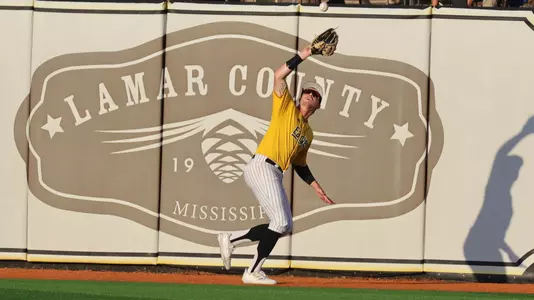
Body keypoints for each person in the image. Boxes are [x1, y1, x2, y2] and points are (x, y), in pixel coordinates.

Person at [217, 44, 335, 285]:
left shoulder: (308, 133)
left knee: (285, 225)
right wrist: (307, 52)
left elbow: (300, 164)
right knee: (280, 222)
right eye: (308, 91)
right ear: (300, 95)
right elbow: (278, 74)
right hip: (262, 165)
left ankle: (231, 240)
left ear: (319, 105)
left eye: (315, 94)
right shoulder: (286, 107)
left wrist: (315, 186)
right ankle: (251, 271)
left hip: (275, 171)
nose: (310, 95)